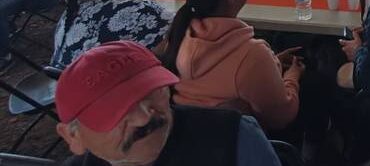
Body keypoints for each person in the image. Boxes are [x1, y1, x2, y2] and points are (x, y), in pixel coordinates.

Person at [55, 40, 281, 166]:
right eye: (114, 110)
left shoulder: (233, 136)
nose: (145, 116)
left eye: (151, 91)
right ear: (72, 137)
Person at [159, 0, 305, 131]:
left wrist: (273, 64)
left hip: (190, 134)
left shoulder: (181, 34)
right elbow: (281, 116)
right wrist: (292, 77)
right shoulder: (252, 55)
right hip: (237, 142)